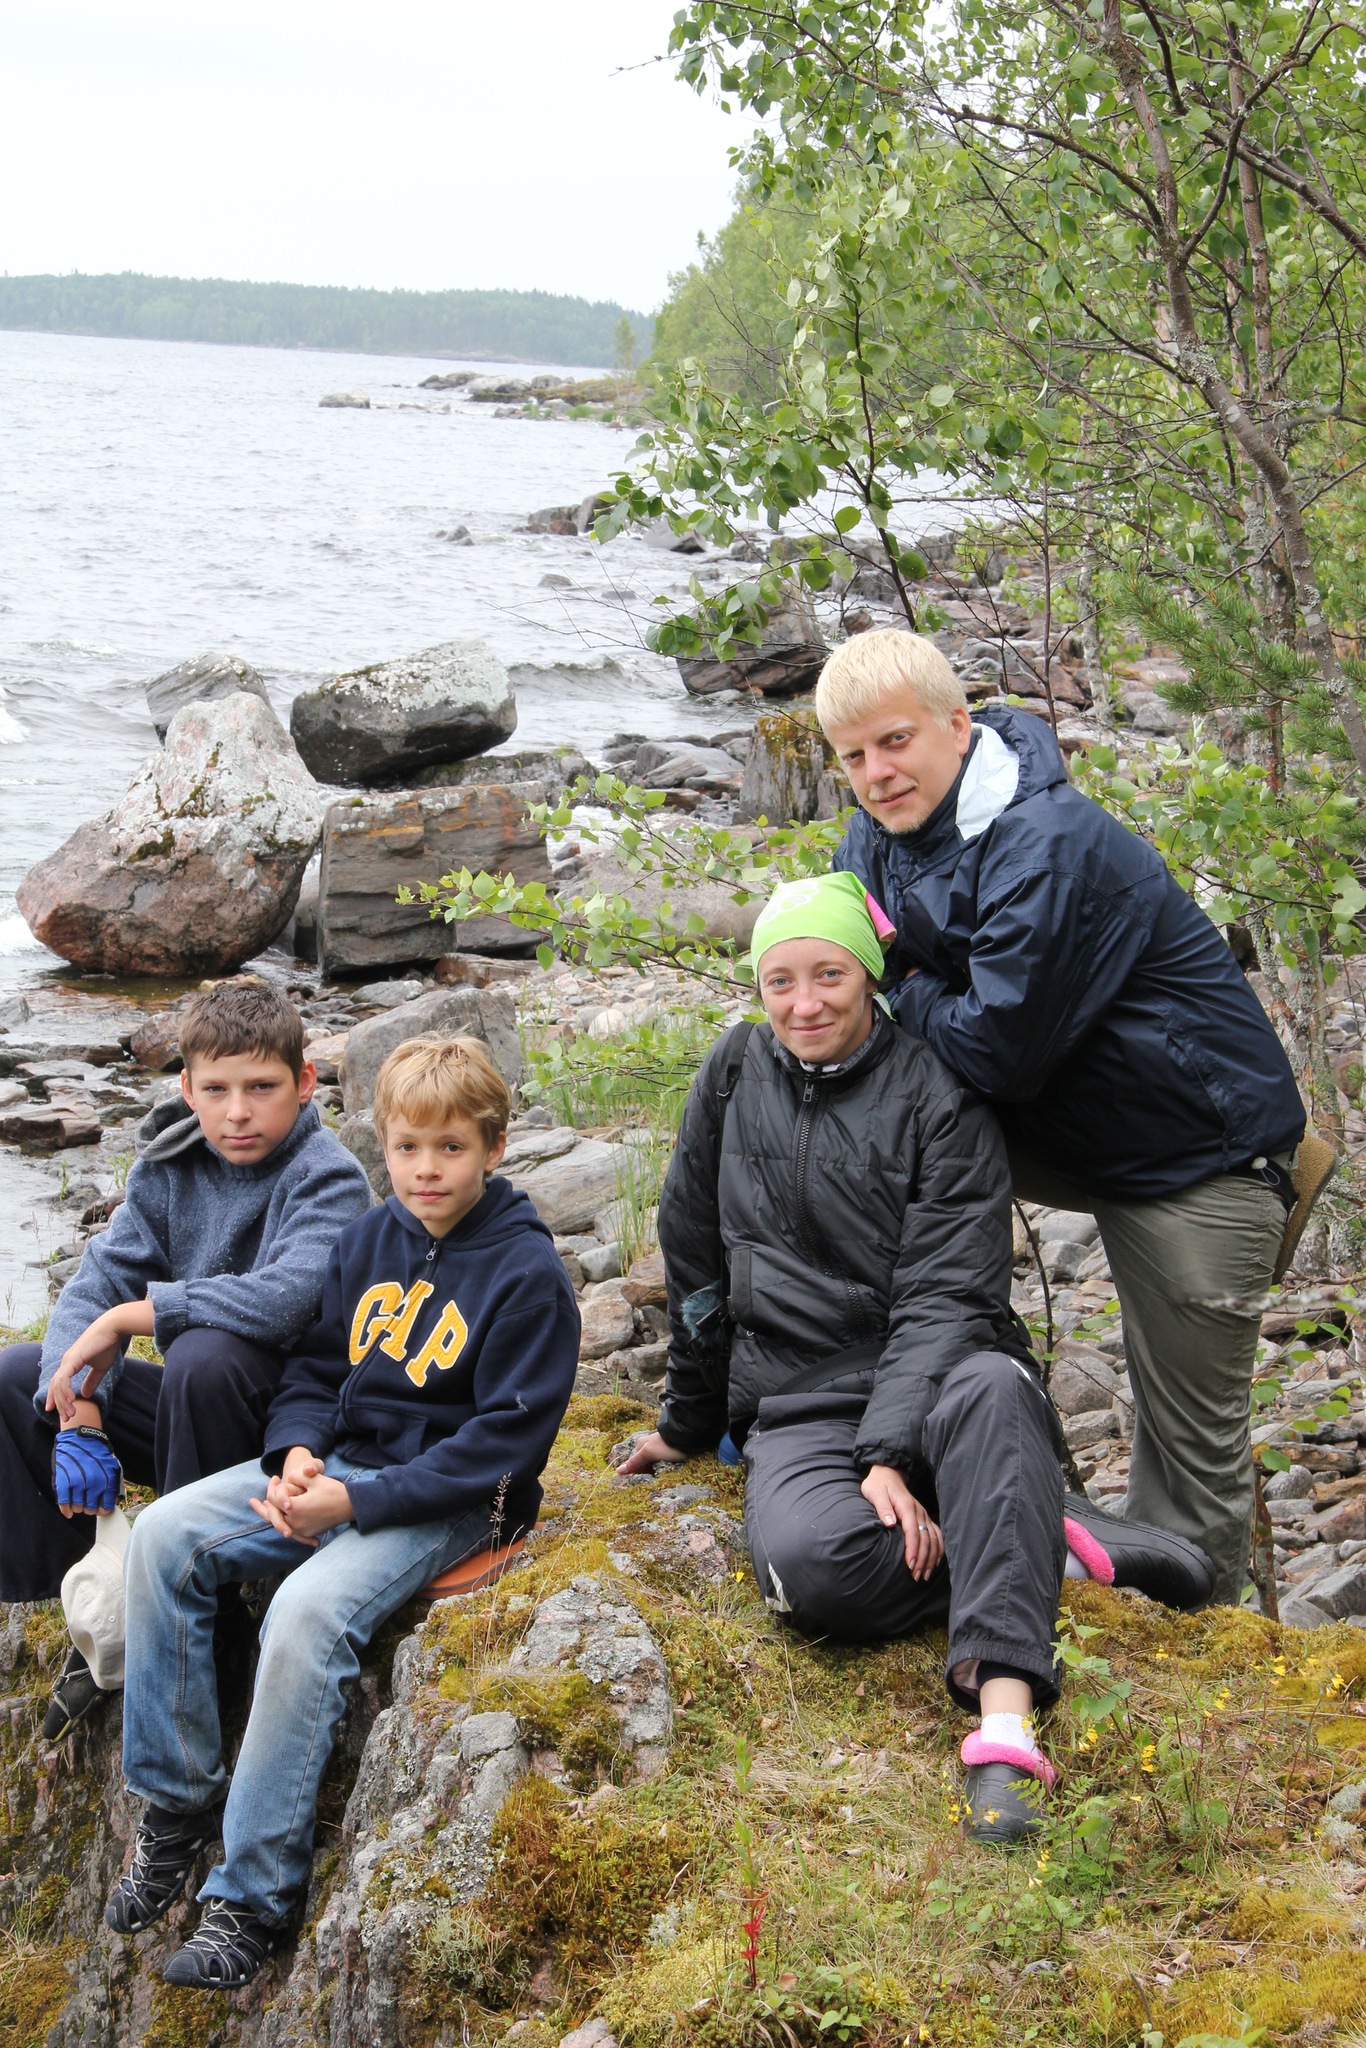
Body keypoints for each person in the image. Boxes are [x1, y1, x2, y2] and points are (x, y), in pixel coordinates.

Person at [618, 874, 1210, 1844]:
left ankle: (1004, 1735)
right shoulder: (731, 1073)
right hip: (801, 1399)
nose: (804, 1003)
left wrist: (887, 1453)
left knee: (992, 1385)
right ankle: (1038, 1533)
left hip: (949, 1376)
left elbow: (945, 1295)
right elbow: (695, 1268)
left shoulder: (939, 1091)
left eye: (828, 975)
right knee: (812, 1574)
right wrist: (687, 1423)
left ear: (868, 975)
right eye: (779, 981)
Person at [814, 628, 1308, 1606]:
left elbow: (994, 1049)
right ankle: (926, 1459)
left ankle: (1204, 1655)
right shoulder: (874, 837)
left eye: (895, 741)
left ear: (957, 725)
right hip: (1074, 1123)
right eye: (852, 755)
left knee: (1188, 1453)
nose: (876, 773)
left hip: (1196, 1152)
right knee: (855, 1142)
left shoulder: (1049, 842)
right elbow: (843, 973)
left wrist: (908, 988)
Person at [103, 1035, 579, 1990]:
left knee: (306, 1614)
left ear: (493, 1147)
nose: (426, 1170)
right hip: (340, 1468)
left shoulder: (528, 1276)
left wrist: (353, 1503)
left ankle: (253, 1897)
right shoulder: (371, 1239)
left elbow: (502, 1446)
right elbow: (318, 1369)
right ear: (383, 1145)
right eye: (407, 1148)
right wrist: (294, 1454)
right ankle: (177, 1800)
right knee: (162, 1536)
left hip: (452, 1501)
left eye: (450, 1148)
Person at [0, 976, 373, 1738]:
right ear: (187, 1089)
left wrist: (137, 1316)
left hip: (292, 1429)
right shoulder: (171, 1167)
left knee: (203, 1356)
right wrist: (79, 1405)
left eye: (262, 1087)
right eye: (217, 1090)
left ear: (305, 1082)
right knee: (14, 1377)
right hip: (196, 1417)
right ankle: (97, 1602)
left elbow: (285, 1300)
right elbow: (97, 1280)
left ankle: (209, 1611)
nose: (238, 1112)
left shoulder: (328, 1175)